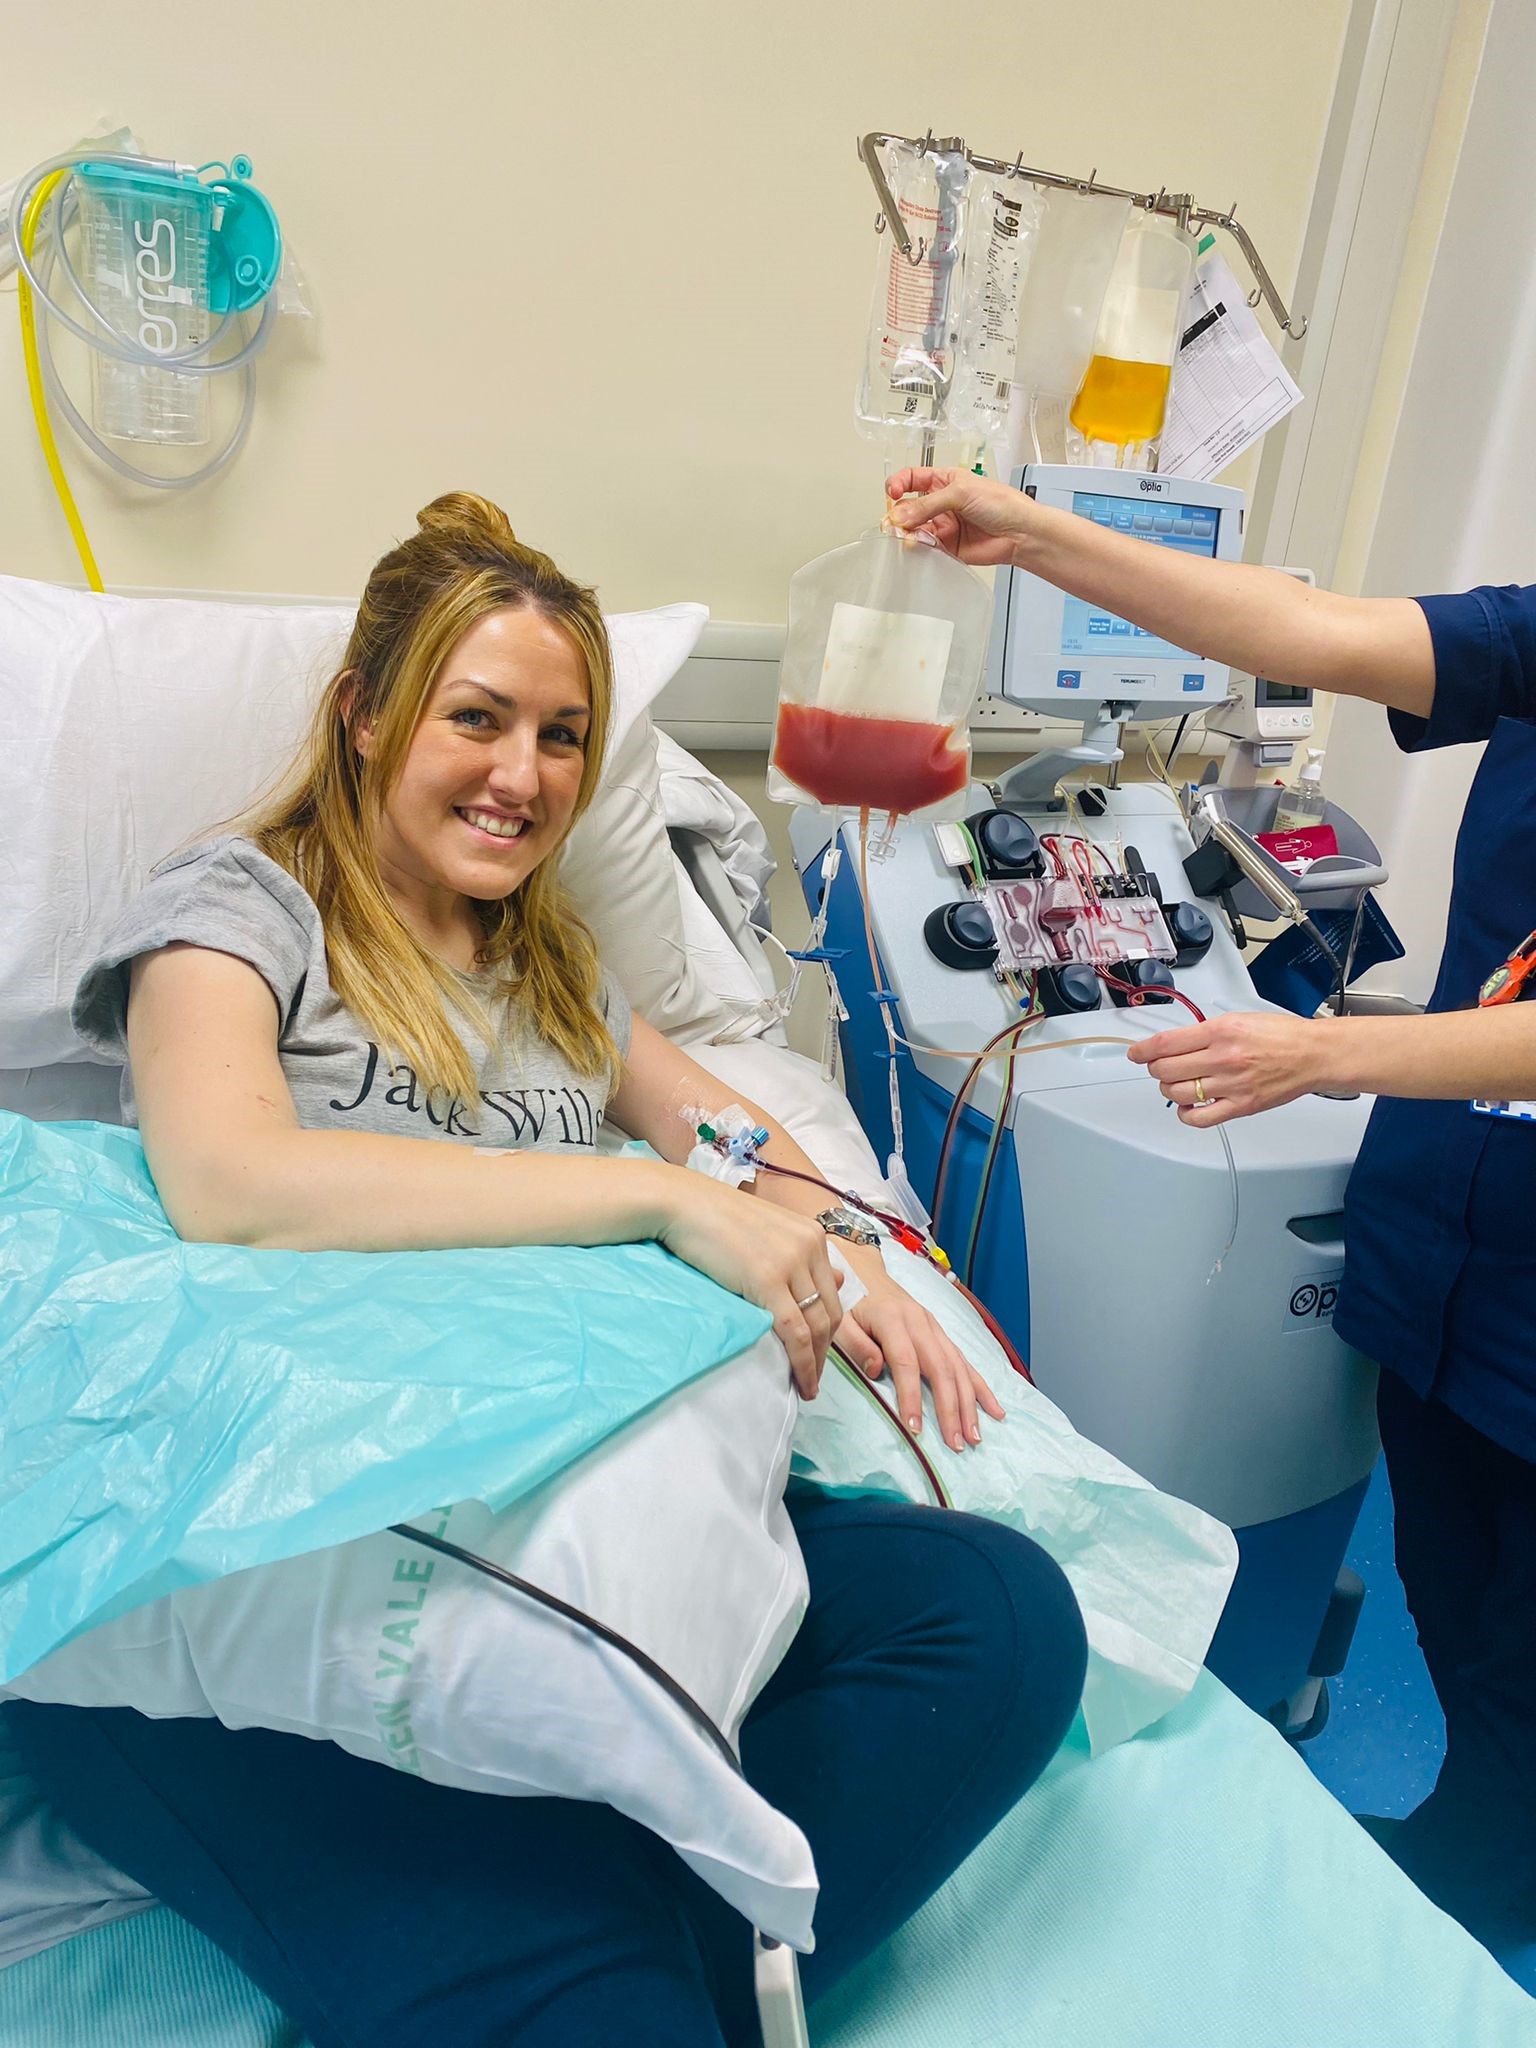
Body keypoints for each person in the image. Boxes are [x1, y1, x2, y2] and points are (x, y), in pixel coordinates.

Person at [4, 492, 1087, 2048]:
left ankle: (622, 1932)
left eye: (563, 736)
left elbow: (723, 1136)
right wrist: (646, 1200)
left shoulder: (554, 967)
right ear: (364, 716)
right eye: (478, 718)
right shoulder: (239, 911)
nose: (524, 775)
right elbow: (231, 1182)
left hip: (554, 1531)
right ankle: (595, 1942)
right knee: (584, 1981)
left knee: (995, 1617)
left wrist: (853, 1253)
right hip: (262, 1567)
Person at [888, 464, 1536, 1951]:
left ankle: (1478, 1878)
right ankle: (1485, 1820)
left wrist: (1321, 1055)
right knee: (1452, 1574)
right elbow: (1312, 634)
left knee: (1525, 1644)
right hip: (1445, 1223)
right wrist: (1034, 534)